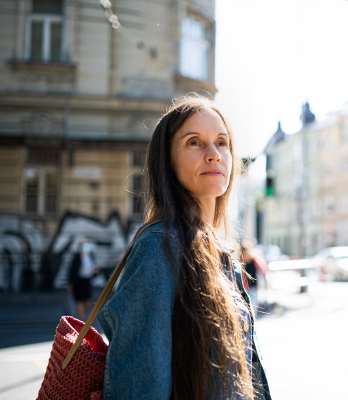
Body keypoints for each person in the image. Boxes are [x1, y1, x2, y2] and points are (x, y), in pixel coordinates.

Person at [96, 95, 272, 399]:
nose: (214, 154)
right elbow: (140, 389)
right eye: (194, 142)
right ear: (167, 160)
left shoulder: (219, 252)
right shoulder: (159, 248)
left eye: (222, 142)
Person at [67, 240, 99, 320]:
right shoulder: (77, 257)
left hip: (87, 281)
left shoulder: (91, 256)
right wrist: (70, 283)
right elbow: (72, 270)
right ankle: (81, 320)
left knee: (88, 301)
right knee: (79, 301)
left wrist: (95, 272)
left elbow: (94, 270)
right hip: (78, 281)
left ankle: (81, 314)